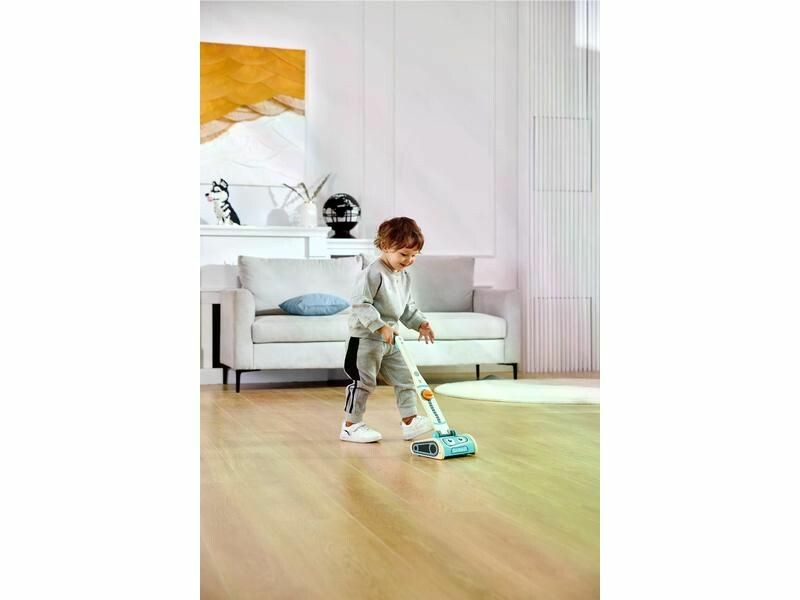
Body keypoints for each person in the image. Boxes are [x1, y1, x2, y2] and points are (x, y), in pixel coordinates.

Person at [340, 217, 436, 443]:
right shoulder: (372, 274)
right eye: (404, 254)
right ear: (384, 246)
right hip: (364, 340)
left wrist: (420, 323)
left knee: (406, 378)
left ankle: (410, 421)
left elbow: (406, 306)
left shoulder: (403, 276)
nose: (409, 260)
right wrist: (380, 326)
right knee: (363, 383)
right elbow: (361, 304)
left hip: (392, 340)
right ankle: (351, 426)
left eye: (414, 255)